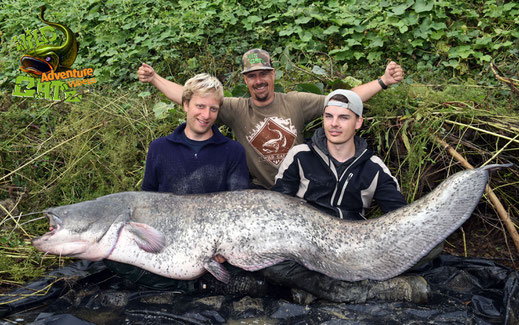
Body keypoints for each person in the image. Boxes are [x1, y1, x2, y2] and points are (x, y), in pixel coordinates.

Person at [137, 49, 404, 189]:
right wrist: (154, 79)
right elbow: (191, 98)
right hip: (260, 191)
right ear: (245, 80)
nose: (259, 80)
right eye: (252, 75)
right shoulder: (234, 108)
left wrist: (383, 81)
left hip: (300, 188)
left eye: (263, 73)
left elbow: (343, 99)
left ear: (273, 74)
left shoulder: (296, 101)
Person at [263, 90, 430, 304]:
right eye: (329, 116)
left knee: (429, 245)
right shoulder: (300, 155)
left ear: (358, 122)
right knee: (269, 264)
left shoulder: (374, 167)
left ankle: (316, 289)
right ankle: (363, 290)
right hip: (306, 246)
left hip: (355, 249)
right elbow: (275, 206)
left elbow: (399, 216)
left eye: (343, 117)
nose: (334, 124)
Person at [105, 73, 251, 291]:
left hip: (214, 241)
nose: (206, 115)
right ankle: (187, 284)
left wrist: (223, 248)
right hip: (166, 238)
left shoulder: (233, 150)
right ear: (185, 105)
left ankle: (194, 280)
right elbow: (147, 200)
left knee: (250, 263)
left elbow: (239, 207)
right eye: (200, 106)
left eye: (213, 109)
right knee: (111, 256)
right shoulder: (159, 148)